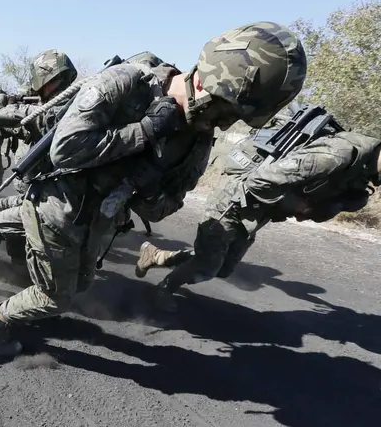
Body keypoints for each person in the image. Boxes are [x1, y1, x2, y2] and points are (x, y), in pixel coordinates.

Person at [0, 22, 308, 356]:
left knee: (82, 285)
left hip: (100, 218)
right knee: (57, 296)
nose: (225, 124)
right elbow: (66, 149)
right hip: (57, 205)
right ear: (209, 83)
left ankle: (30, 288)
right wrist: (145, 130)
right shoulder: (127, 82)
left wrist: (145, 189)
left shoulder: (197, 139)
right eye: (227, 110)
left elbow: (170, 203)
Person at [136, 109, 381, 313]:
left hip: (259, 208)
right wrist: (299, 206)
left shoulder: (365, 164)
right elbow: (261, 180)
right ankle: (164, 288)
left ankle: (156, 256)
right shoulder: (338, 155)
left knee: (223, 267)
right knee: (208, 264)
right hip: (235, 198)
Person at [0, 49, 78, 291]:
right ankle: (21, 269)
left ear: (44, 81)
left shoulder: (46, 113)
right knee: (7, 213)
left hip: (42, 198)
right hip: (55, 196)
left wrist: (3, 103)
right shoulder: (74, 109)